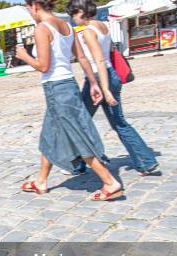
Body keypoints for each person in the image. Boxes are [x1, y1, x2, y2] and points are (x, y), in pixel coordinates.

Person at [15, 0, 124, 201]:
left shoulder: (42, 29)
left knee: (78, 135)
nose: (30, 13)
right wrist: (93, 83)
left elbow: (43, 66)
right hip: (69, 85)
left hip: (56, 88)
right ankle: (41, 181)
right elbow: (82, 58)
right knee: (49, 134)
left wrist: (24, 56)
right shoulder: (66, 26)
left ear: (34, 6)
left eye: (28, 9)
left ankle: (110, 182)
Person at [67, 0, 159, 176]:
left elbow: (99, 60)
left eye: (73, 14)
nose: (73, 19)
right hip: (111, 75)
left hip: (98, 79)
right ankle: (146, 161)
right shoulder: (103, 26)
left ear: (80, 12)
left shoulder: (88, 32)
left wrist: (104, 88)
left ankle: (78, 165)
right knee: (119, 123)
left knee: (80, 122)